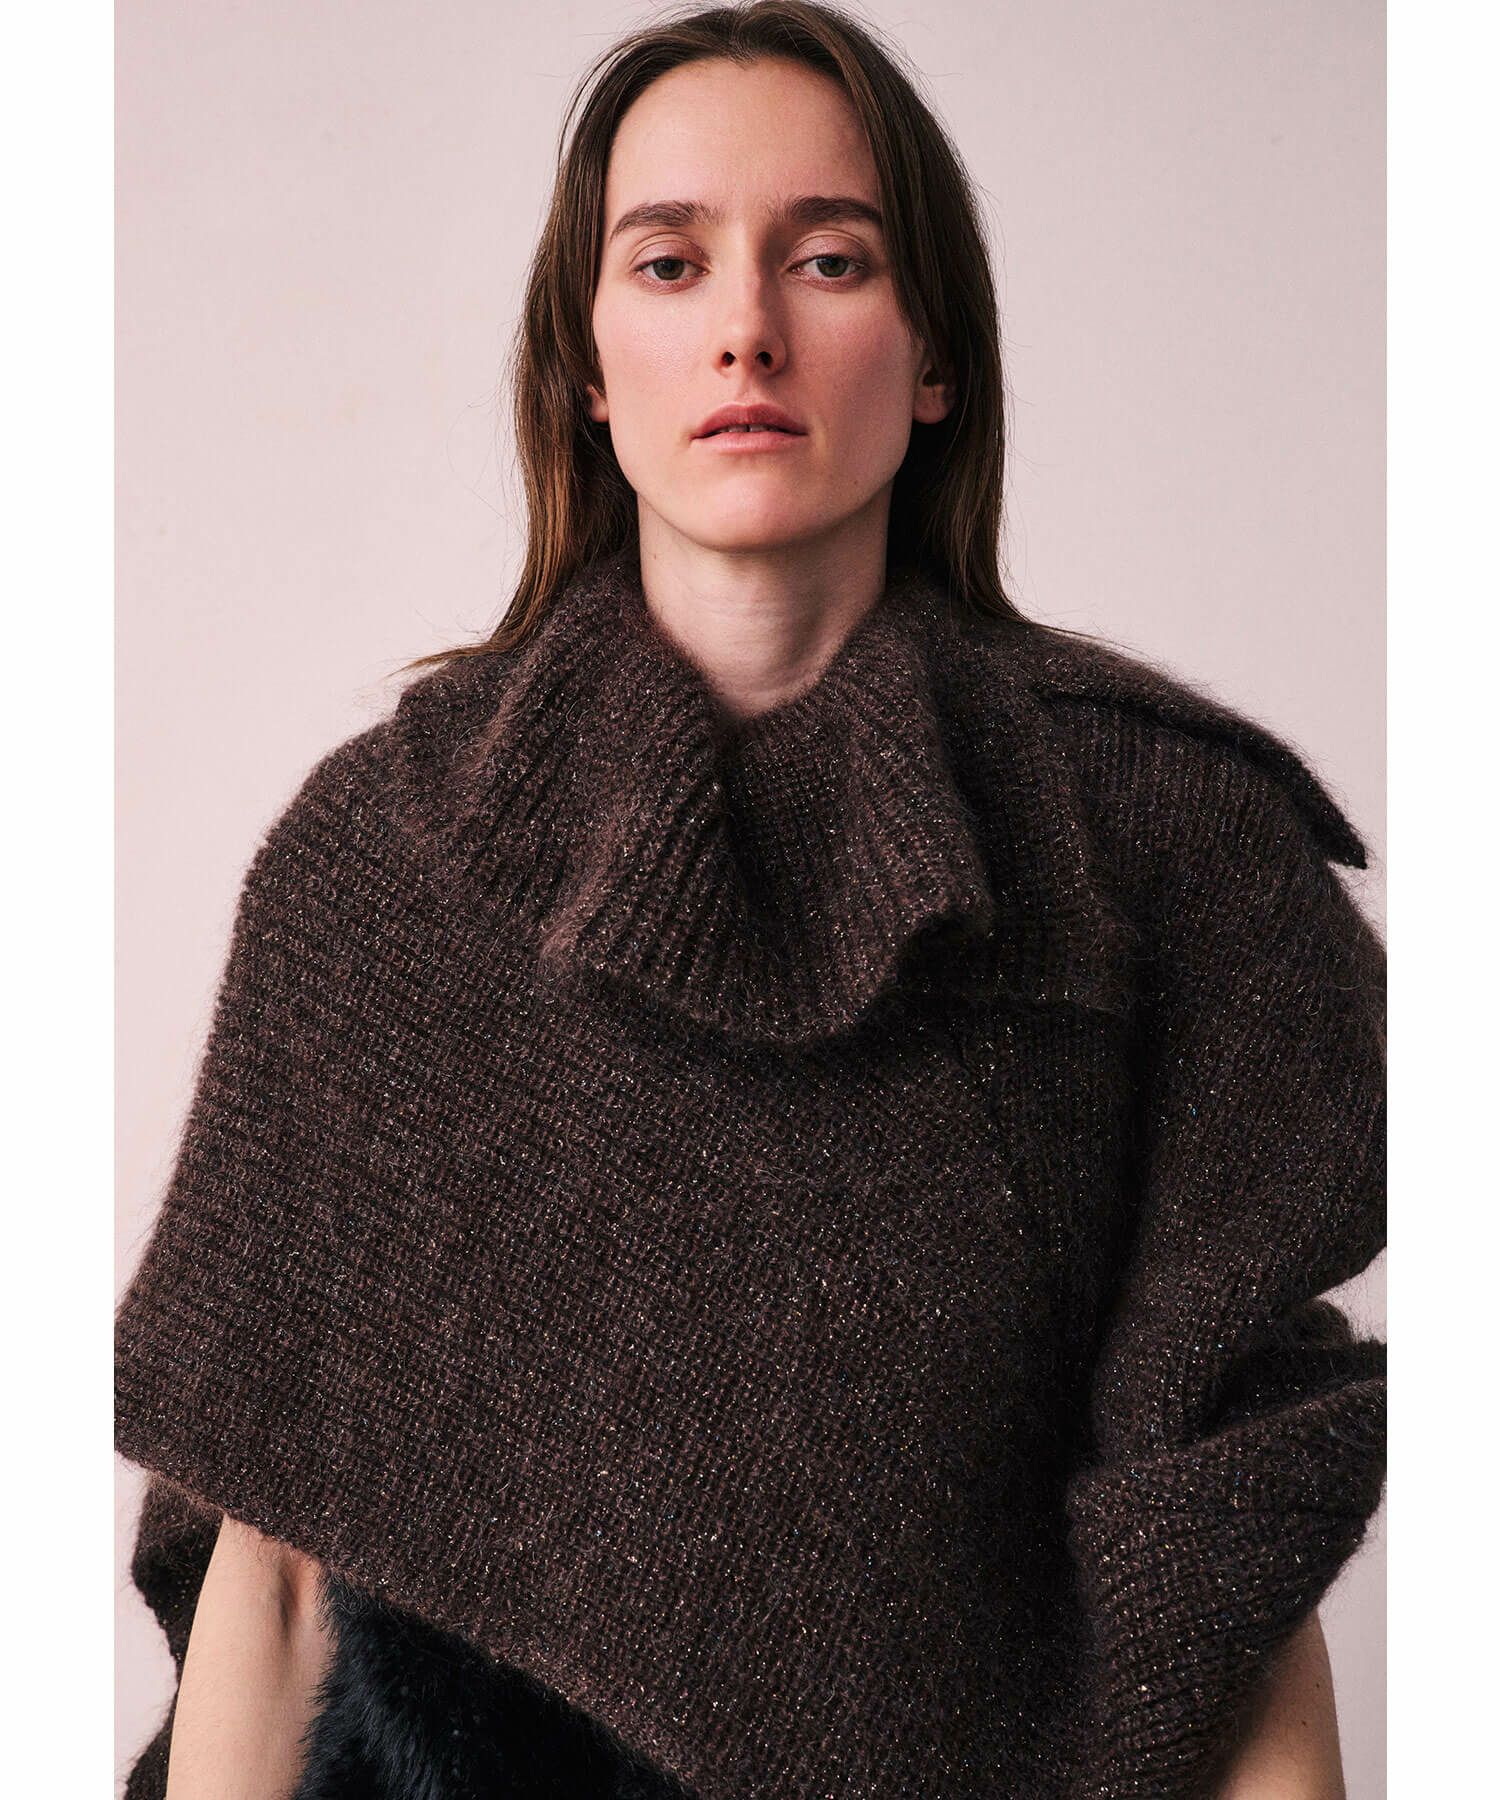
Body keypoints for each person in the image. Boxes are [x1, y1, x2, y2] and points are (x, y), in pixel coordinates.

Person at [115, 5, 1385, 1798]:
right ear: (586, 366)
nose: (746, 329)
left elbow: (1227, 1563)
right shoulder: (377, 869)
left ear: (935, 358)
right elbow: (277, 1564)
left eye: (830, 258)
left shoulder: (1166, 848)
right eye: (669, 261)